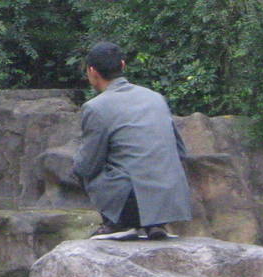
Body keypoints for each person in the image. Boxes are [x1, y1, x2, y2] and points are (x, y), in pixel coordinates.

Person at [72, 41, 193, 241]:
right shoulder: (155, 98)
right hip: (171, 200)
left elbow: (88, 164)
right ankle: (155, 225)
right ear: (123, 65)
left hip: (132, 202)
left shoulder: (96, 107)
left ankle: (118, 223)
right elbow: (180, 152)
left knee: (83, 167)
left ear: (92, 71)